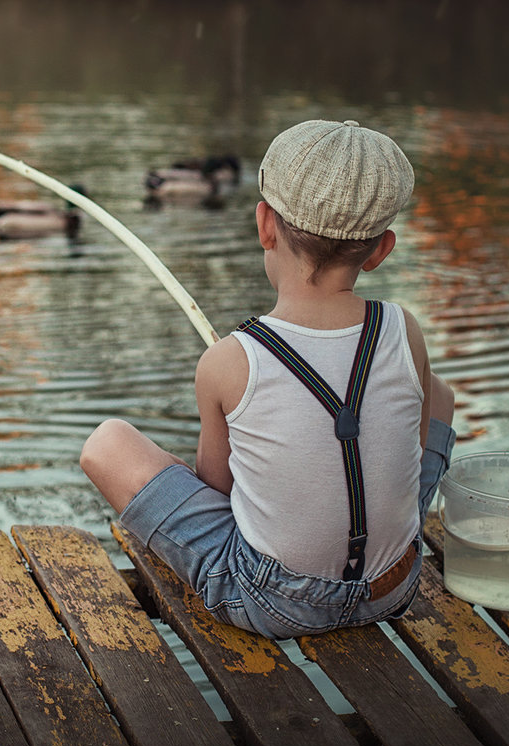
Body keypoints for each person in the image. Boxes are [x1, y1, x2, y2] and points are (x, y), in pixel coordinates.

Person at [81, 120, 456, 639]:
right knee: (437, 394)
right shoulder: (403, 328)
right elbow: (413, 456)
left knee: (107, 444)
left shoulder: (230, 359)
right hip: (393, 584)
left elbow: (220, 493)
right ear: (380, 249)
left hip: (276, 599)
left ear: (264, 225)